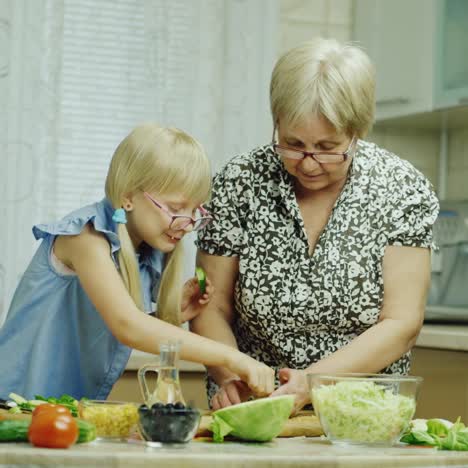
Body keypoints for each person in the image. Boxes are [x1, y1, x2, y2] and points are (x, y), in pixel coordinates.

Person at [192, 38, 440, 413]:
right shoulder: (238, 181)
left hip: (361, 415)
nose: (308, 163)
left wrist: (311, 383)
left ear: (358, 131)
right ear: (276, 122)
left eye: (327, 148)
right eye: (293, 144)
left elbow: (401, 323)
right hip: (251, 405)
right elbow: (210, 307)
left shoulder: (401, 189)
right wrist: (230, 375)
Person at [0, 123, 274, 401]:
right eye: (177, 208)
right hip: (11, 405)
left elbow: (107, 325)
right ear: (128, 197)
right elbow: (127, 326)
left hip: (57, 412)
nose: (189, 224)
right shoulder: (85, 237)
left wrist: (167, 318)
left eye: (195, 211)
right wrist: (233, 357)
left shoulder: (143, 251)